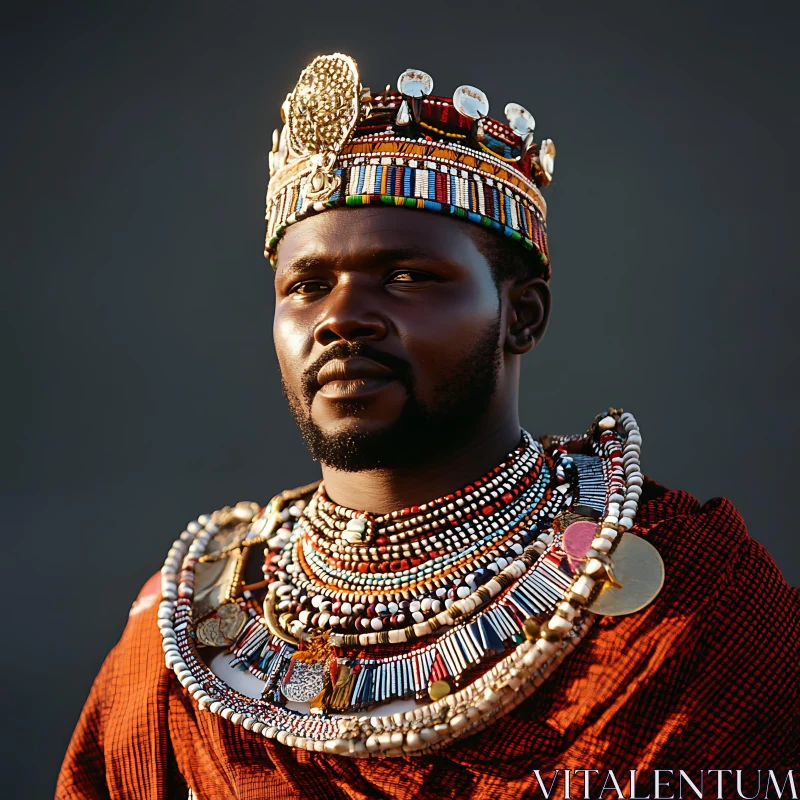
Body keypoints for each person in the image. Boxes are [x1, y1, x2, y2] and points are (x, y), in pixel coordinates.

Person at [57, 53, 797, 800]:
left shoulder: (691, 609)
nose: (340, 319)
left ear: (523, 315)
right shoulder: (178, 641)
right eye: (307, 287)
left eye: (407, 277)